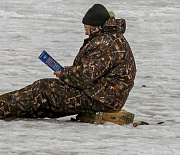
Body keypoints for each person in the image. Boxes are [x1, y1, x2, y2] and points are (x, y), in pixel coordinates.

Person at [0, 4, 136, 119]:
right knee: (42, 104)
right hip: (104, 96)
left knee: (43, 89)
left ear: (97, 27)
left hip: (101, 99)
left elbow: (85, 76)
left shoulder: (105, 43)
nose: (86, 33)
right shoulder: (111, 39)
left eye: (88, 29)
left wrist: (64, 73)